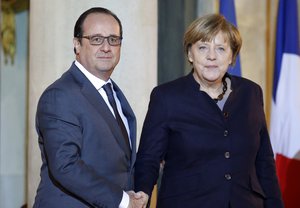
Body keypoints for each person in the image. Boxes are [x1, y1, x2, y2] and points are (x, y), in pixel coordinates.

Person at [134, 14, 284, 208]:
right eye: (202, 47)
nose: (211, 56)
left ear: (232, 56)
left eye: (221, 49)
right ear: (190, 54)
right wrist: (142, 193)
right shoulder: (166, 97)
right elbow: (148, 158)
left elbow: (264, 160)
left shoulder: (251, 93)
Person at [33, 7, 147, 208]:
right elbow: (65, 166)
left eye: (113, 39)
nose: (106, 47)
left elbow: (121, 163)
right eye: (96, 39)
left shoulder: (113, 93)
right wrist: (123, 201)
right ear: (77, 44)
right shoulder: (60, 95)